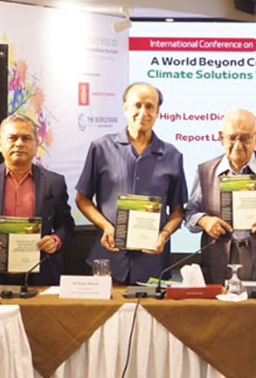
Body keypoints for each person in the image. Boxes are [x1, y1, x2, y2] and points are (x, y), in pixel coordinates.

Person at [75, 82, 188, 284]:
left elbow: (178, 212)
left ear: (158, 112)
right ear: (125, 108)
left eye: (149, 106)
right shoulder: (101, 148)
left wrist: (164, 234)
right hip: (109, 260)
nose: (143, 112)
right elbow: (82, 199)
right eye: (137, 105)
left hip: (154, 263)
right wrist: (105, 226)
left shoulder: (173, 155)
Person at [0, 114, 75, 285]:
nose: (19, 144)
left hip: (40, 275)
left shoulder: (54, 182)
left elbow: (67, 225)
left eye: (26, 138)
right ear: (0, 144)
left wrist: (56, 240)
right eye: (12, 138)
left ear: (35, 143)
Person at [185, 109, 256, 283]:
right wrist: (204, 221)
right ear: (221, 137)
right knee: (220, 310)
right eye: (232, 138)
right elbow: (190, 213)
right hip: (219, 259)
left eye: (244, 138)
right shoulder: (204, 172)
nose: (237, 145)